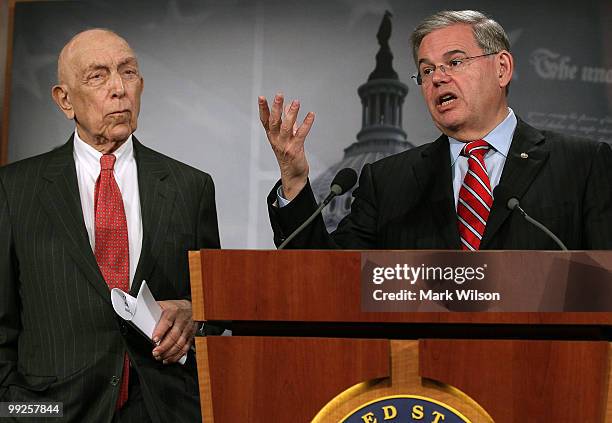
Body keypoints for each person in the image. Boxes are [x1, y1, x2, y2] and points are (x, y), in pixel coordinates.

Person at [0, 29, 220, 422]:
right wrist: (19, 414)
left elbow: (216, 307)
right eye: (98, 76)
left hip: (163, 409)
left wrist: (196, 313)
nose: (119, 88)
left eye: (129, 72)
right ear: (64, 99)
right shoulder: (14, 189)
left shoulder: (191, 187)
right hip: (52, 411)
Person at [259, 10, 612, 250]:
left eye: (455, 63)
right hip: (421, 358)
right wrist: (293, 181)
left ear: (502, 68)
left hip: (548, 358)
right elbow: (327, 279)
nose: (438, 78)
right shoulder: (387, 181)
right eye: (426, 71)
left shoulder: (582, 163)